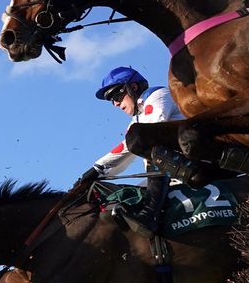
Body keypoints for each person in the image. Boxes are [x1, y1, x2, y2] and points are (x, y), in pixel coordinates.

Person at [79, 67, 185, 238]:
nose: (115, 104)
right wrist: (97, 170)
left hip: (192, 165)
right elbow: (125, 150)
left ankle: (150, 215)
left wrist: (99, 167)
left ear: (133, 87)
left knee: (153, 150)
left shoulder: (158, 95)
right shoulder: (135, 121)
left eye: (117, 96)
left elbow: (147, 136)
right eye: (111, 101)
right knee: (130, 197)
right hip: (168, 174)